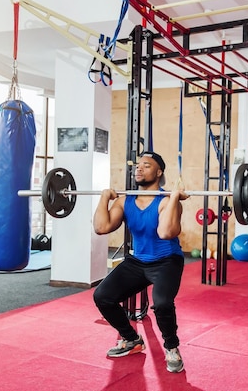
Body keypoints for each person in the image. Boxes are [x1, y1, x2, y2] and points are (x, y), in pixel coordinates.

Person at [93, 151, 188, 373]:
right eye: (138, 165)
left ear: (159, 172)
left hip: (167, 261)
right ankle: (131, 339)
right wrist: (103, 198)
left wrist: (174, 198)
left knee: (162, 304)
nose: (139, 168)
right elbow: (101, 227)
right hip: (137, 262)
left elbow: (165, 233)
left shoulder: (166, 201)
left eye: (146, 165)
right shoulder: (126, 201)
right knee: (102, 296)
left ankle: (172, 348)